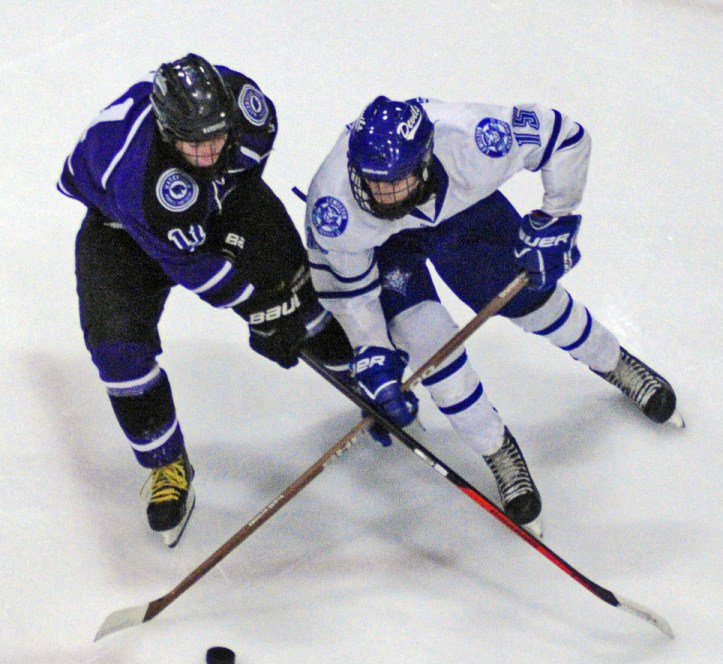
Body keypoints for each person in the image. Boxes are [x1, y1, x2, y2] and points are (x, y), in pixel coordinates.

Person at [304, 95, 682, 529]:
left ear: (426, 158)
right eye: (372, 181)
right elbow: (352, 293)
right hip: (388, 250)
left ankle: (614, 361)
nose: (384, 194)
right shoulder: (333, 206)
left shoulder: (474, 137)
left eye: (397, 180)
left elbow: (564, 135)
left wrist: (557, 215)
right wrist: (373, 351)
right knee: (434, 352)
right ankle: (497, 448)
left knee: (533, 303)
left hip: (464, 215)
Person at [58, 54, 351, 547]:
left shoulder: (251, 112)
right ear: (166, 129)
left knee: (295, 289)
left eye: (217, 136)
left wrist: (273, 290)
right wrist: (257, 310)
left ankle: (359, 376)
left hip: (223, 198)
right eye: (193, 142)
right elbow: (191, 265)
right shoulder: (139, 178)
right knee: (118, 353)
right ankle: (166, 464)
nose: (208, 150)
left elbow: (242, 178)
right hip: (121, 232)